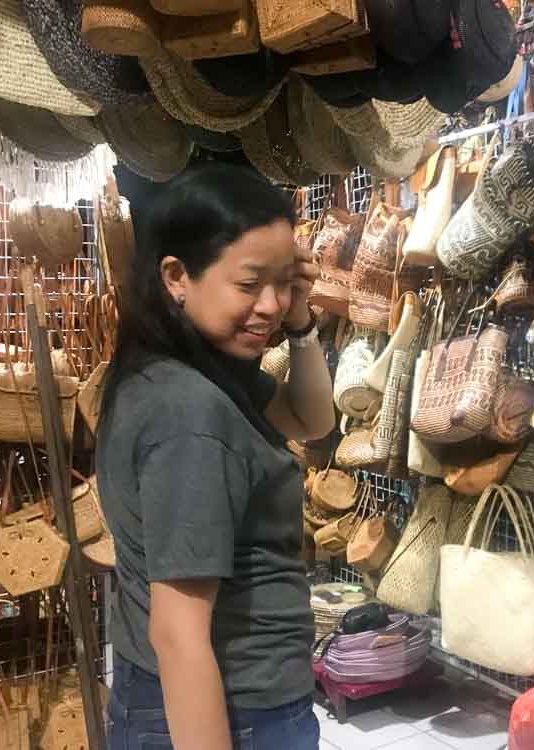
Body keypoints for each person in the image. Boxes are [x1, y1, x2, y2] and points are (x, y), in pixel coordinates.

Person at [96, 163, 335, 750]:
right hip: (230, 711)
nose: (272, 305)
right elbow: (178, 634)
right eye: (249, 284)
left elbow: (312, 419)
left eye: (285, 282)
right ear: (177, 276)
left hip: (229, 700)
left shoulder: (187, 373)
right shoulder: (190, 412)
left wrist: (303, 325)